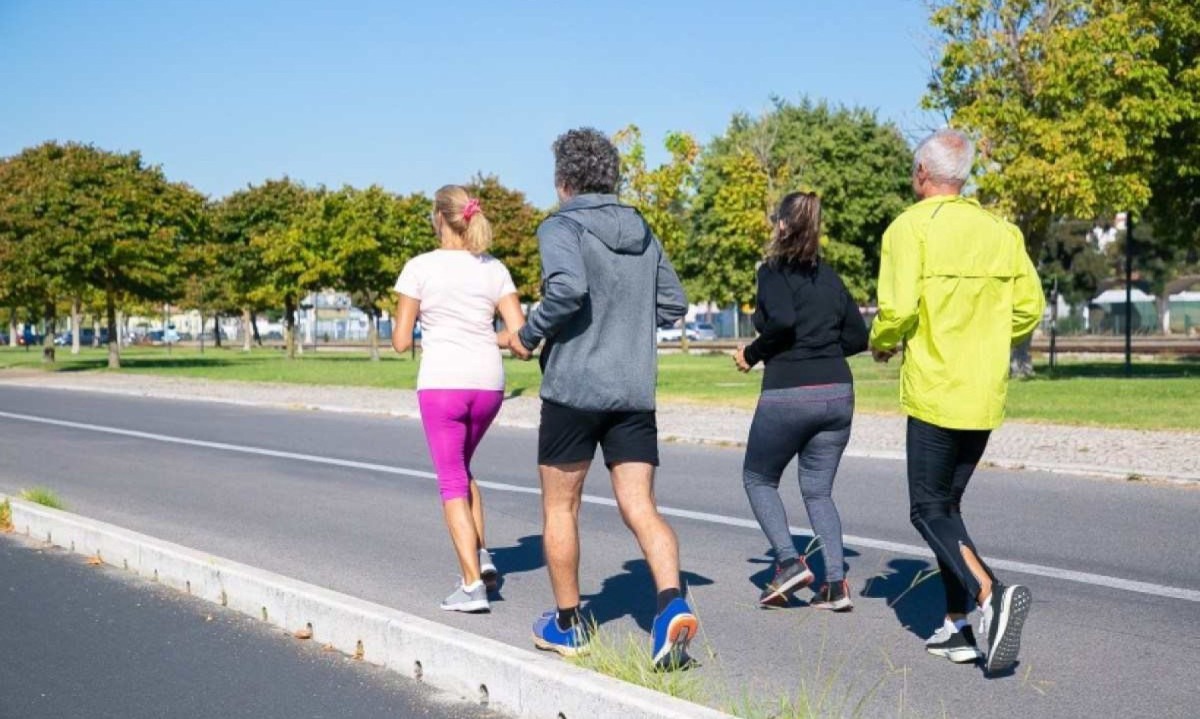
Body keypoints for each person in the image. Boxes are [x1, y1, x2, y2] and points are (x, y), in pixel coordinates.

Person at [507, 128, 695, 669]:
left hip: (574, 390)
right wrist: (627, 324)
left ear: (563, 180)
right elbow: (674, 303)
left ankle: (568, 625)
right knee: (641, 507)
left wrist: (528, 334)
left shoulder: (561, 226)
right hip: (632, 391)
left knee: (560, 507)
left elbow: (566, 290)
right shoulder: (641, 227)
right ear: (612, 176)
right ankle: (670, 605)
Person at [869, 129, 1044, 674]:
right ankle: (955, 625)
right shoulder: (1002, 232)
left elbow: (895, 309)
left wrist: (881, 342)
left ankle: (989, 593)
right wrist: (985, 335)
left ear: (923, 173)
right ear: (962, 175)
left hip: (936, 391)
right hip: (983, 393)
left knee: (926, 509)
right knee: (949, 508)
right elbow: (1028, 310)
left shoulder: (907, 229)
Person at [392, 184, 526, 614]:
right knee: (462, 468)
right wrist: (489, 336)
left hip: (443, 383)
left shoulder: (419, 267)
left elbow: (398, 341)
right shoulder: (495, 268)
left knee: (451, 480)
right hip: (489, 385)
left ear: (438, 218)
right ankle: (482, 556)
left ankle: (471, 587)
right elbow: (521, 336)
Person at [733, 192, 868, 612]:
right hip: (838, 395)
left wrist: (751, 355)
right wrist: (823, 356)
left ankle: (789, 562)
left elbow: (785, 322)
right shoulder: (830, 277)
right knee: (818, 492)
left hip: (789, 392)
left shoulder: (771, 272)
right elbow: (858, 337)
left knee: (758, 478)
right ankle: (834, 585)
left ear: (783, 225)